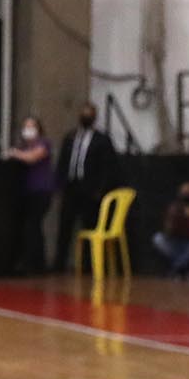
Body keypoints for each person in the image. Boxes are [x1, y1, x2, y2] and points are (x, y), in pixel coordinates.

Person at [52, 100, 117, 269]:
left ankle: (88, 264)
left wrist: (100, 190)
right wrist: (59, 184)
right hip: (71, 186)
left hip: (90, 188)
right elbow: (63, 162)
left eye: (89, 113)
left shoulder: (101, 140)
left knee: (90, 225)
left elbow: (108, 166)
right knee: (65, 225)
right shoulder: (71, 137)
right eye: (84, 112)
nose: (86, 115)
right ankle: (59, 262)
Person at [5, 114, 55, 275]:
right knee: (29, 227)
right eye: (26, 127)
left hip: (41, 191)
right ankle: (29, 261)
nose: (28, 130)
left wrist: (15, 153)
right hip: (27, 192)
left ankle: (37, 264)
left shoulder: (43, 144)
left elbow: (32, 158)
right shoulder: (23, 146)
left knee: (33, 225)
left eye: (32, 126)